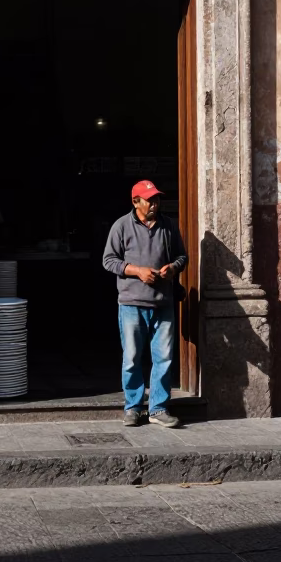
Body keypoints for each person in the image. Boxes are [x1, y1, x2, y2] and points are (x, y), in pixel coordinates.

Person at [102, 179, 187, 427]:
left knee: (164, 357)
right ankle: (133, 407)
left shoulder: (168, 226)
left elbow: (182, 256)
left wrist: (173, 268)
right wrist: (136, 271)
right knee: (132, 357)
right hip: (131, 303)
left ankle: (158, 408)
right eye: (149, 199)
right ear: (135, 201)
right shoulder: (121, 226)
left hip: (163, 303)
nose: (154, 204)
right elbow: (108, 260)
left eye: (156, 199)